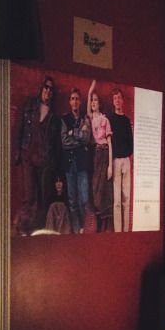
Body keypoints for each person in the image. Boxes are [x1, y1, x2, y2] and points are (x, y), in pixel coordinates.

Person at [14, 75, 59, 234]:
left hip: (43, 160)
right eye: (46, 87)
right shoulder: (30, 105)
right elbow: (19, 127)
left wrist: (51, 164)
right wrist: (18, 152)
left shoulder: (53, 115)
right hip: (27, 155)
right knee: (28, 196)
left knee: (42, 198)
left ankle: (37, 230)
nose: (48, 91)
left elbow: (54, 143)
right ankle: (22, 230)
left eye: (51, 89)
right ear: (41, 89)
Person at [59, 87, 93, 234]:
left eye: (77, 99)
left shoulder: (85, 119)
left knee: (84, 200)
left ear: (80, 102)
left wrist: (73, 132)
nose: (75, 102)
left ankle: (84, 229)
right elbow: (64, 141)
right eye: (72, 99)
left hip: (82, 164)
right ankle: (76, 228)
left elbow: (87, 138)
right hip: (69, 164)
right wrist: (78, 139)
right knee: (72, 200)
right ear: (69, 102)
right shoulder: (64, 119)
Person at [87, 81, 114, 231]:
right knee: (95, 189)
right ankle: (98, 222)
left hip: (105, 153)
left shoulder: (105, 120)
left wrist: (110, 166)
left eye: (96, 100)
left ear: (100, 103)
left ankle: (104, 226)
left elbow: (110, 143)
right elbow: (88, 104)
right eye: (92, 100)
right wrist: (90, 90)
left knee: (104, 190)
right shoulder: (91, 118)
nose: (93, 102)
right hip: (95, 154)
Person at [109, 87, 134, 231]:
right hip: (115, 161)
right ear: (113, 102)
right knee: (117, 200)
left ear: (122, 100)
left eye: (119, 97)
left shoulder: (126, 120)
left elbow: (131, 142)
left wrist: (128, 156)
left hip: (126, 160)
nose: (117, 100)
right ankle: (118, 231)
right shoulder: (110, 119)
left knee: (126, 198)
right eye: (115, 98)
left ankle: (126, 229)